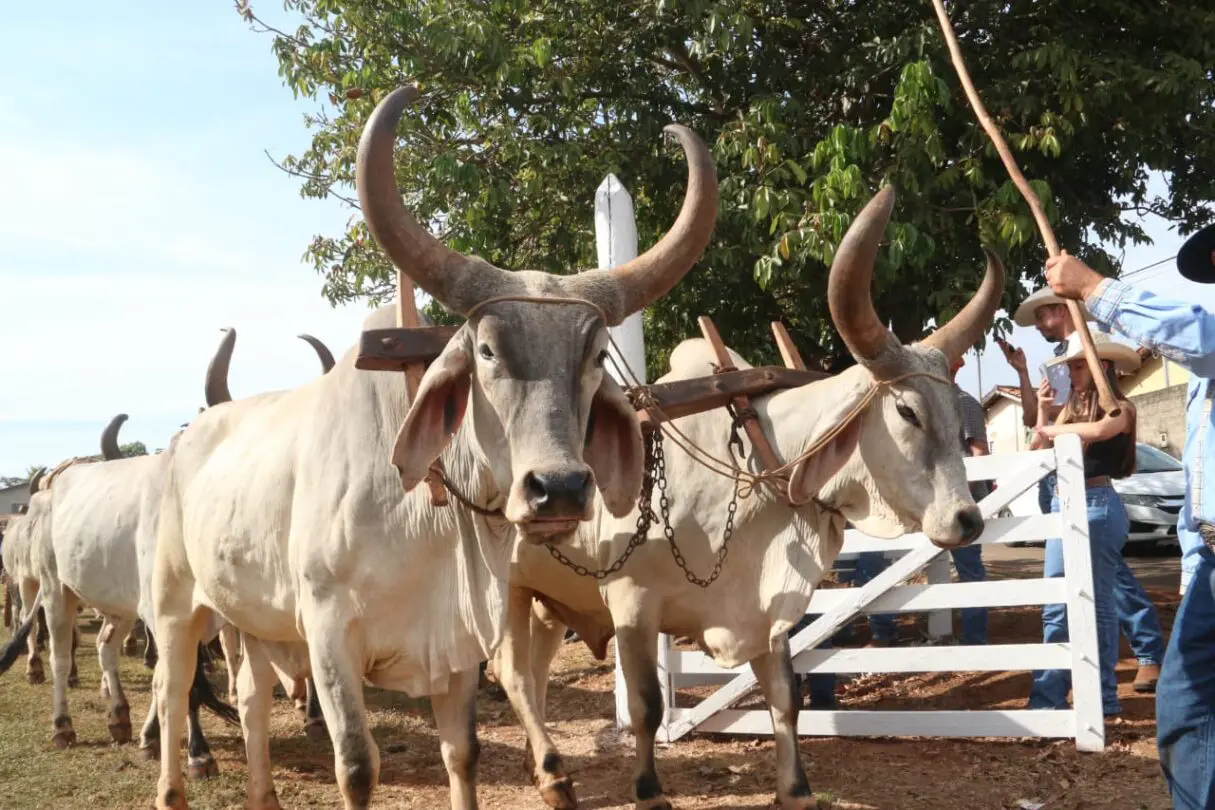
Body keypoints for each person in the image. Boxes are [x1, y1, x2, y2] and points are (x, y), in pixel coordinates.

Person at [1046, 234, 1215, 809]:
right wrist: (1195, 566)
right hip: (1209, 558)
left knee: (1108, 599)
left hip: (1100, 506)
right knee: (1184, 707)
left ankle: (1108, 689)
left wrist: (1093, 288)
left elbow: (1097, 433)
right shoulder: (1202, 378)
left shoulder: (1126, 403)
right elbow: (1201, 477)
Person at [1025, 333, 1166, 717]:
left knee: (1100, 606)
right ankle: (1048, 699)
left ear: (1101, 367)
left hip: (1098, 505)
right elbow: (1035, 451)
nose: (1071, 372)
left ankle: (1102, 699)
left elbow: (1102, 432)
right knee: (1055, 606)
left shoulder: (1120, 408)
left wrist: (1051, 428)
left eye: (1077, 364)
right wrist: (1042, 412)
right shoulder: (1069, 409)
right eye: (1070, 365)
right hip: (1065, 503)